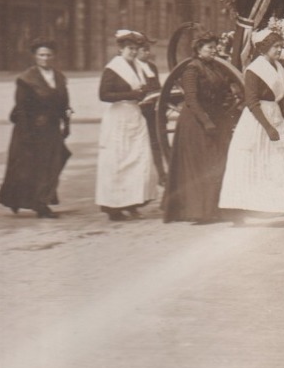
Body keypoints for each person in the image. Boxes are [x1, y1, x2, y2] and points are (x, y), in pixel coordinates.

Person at [218, 29, 284, 229]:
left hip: (274, 116)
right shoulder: (254, 70)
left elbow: (281, 96)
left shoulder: (278, 66)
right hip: (257, 122)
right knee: (253, 164)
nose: (280, 50)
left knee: (282, 165)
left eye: (281, 46)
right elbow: (252, 102)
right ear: (264, 49)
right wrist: (268, 127)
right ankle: (239, 209)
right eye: (276, 47)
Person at [162, 33, 240, 224]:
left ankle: (214, 208)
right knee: (201, 166)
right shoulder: (192, 69)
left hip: (214, 120)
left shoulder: (215, 67)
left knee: (217, 162)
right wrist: (206, 121)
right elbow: (191, 99)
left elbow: (224, 90)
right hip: (195, 123)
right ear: (198, 50)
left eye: (214, 47)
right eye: (209, 48)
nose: (213, 51)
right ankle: (198, 211)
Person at [0, 39, 71, 218]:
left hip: (51, 128)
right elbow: (21, 108)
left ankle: (39, 200)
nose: (45, 58)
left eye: (48, 55)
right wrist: (26, 134)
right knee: (26, 167)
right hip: (30, 128)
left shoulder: (59, 77)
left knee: (55, 161)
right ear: (35, 57)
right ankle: (28, 202)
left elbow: (64, 102)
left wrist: (66, 123)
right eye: (41, 55)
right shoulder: (26, 79)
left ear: (54, 57)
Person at [96, 29, 159, 221]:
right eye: (129, 49)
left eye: (135, 49)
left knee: (138, 159)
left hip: (135, 115)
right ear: (121, 49)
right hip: (119, 118)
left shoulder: (138, 67)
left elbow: (145, 87)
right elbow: (104, 95)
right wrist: (131, 95)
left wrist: (147, 94)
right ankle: (113, 206)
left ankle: (133, 203)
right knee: (118, 161)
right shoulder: (113, 68)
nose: (132, 52)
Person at [135, 39, 167, 185]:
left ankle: (161, 174)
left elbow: (157, 86)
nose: (147, 53)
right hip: (140, 110)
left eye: (148, 50)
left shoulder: (152, 67)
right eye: (144, 50)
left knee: (156, 142)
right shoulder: (134, 68)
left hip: (152, 110)